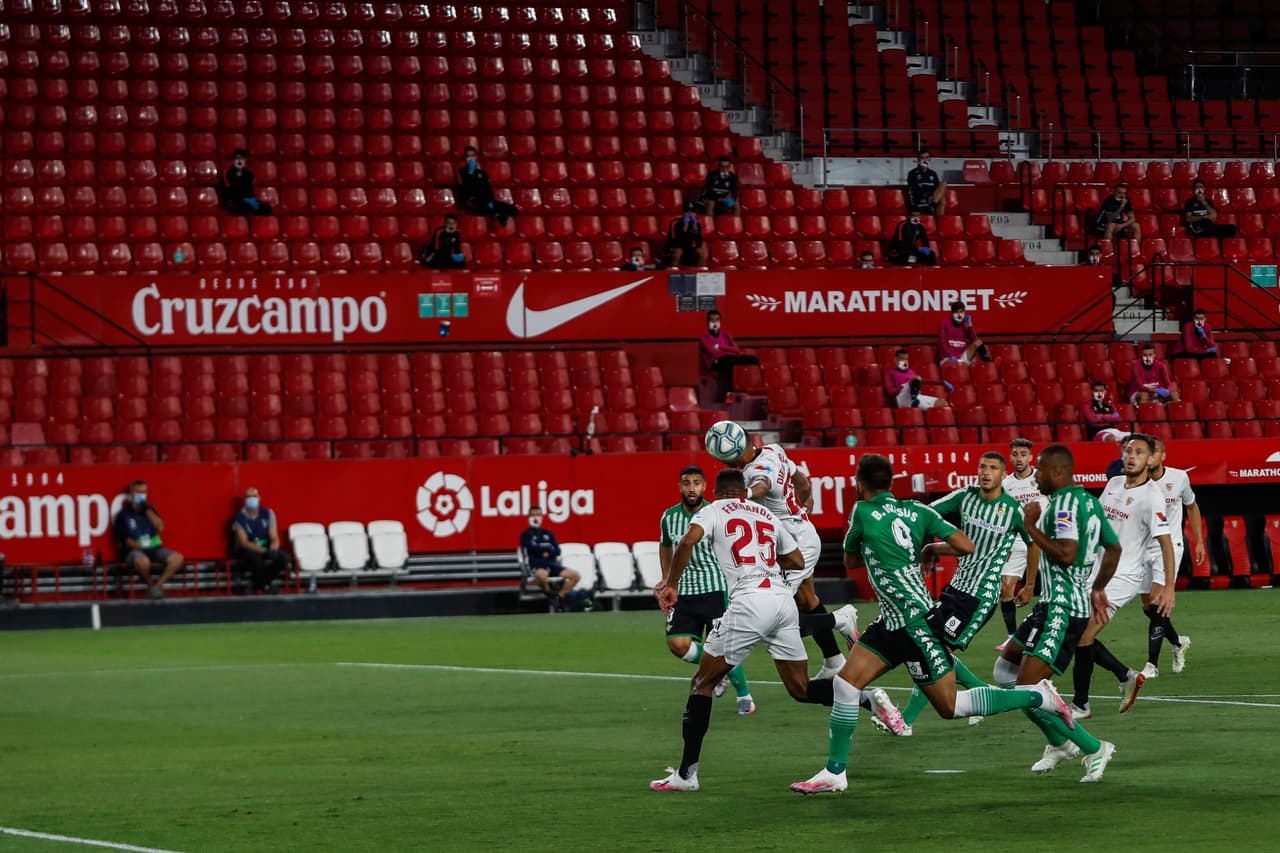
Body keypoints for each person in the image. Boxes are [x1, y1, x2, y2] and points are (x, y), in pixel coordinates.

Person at [789, 454, 1075, 794]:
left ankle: (1035, 696)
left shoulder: (862, 512)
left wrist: (889, 551)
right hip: (891, 620)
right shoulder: (917, 511)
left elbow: (850, 561)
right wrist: (921, 547)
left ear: (858, 483)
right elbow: (966, 545)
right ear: (891, 484)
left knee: (950, 707)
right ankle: (835, 772)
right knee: (846, 685)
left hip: (914, 623)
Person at [649, 469, 841, 792]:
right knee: (801, 689)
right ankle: (863, 696)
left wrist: (671, 584)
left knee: (702, 682)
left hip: (749, 601)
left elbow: (687, 541)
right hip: (782, 600)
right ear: (742, 491)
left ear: (719, 492)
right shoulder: (765, 512)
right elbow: (795, 559)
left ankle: (686, 775)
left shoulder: (714, 510)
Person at [994, 444, 1120, 782]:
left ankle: (1093, 747)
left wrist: (1031, 526)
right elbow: (1114, 547)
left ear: (1058, 472)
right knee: (1005, 668)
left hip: (1063, 610)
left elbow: (1066, 554)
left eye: (1040, 469)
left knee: (1026, 688)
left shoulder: (1062, 505)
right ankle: (1058, 743)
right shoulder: (1090, 503)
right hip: (1050, 605)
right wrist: (1097, 587)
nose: (1035, 474)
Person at [898, 451, 1037, 730]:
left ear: (1002, 475)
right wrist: (929, 544)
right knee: (930, 647)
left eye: (993, 468)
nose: (986, 472)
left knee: (932, 649)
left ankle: (905, 720)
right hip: (955, 589)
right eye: (982, 467)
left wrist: (1030, 584)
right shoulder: (965, 497)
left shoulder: (1012, 510)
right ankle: (977, 692)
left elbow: (1033, 544)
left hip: (979, 597)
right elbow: (928, 513)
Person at [1070, 433, 1173, 719]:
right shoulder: (1114, 483)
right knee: (1077, 631)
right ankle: (1125, 675)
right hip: (1097, 571)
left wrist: (1168, 588)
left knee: (1084, 634)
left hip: (1123, 577)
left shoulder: (1153, 497)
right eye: (1128, 451)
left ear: (1151, 459)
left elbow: (1166, 544)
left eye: (1139, 452)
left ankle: (1081, 704)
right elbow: (1098, 521)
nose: (1130, 456)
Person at [657, 466, 755, 715]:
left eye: (697, 483)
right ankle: (717, 672)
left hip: (714, 588)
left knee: (723, 646)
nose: (692, 488)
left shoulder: (716, 513)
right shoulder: (669, 517)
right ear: (679, 487)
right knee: (677, 644)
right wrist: (667, 578)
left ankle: (744, 696)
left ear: (704, 487)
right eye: (687, 483)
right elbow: (666, 546)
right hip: (683, 590)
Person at [1143, 438, 1203, 676]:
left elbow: (1192, 506)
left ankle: (1151, 665)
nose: (1149, 457)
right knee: (1148, 607)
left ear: (1163, 456)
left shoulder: (1179, 478)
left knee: (1157, 603)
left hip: (1170, 547)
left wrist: (1198, 540)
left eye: (1153, 452)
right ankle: (1178, 642)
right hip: (1143, 548)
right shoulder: (1138, 482)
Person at [996, 438, 1048, 644]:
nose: (1019, 458)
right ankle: (1012, 637)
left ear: (1031, 457)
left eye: (1023, 454)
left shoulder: (1042, 478)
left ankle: (1046, 630)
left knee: (1051, 589)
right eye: (1015, 454)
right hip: (1018, 541)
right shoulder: (1006, 485)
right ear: (1010, 457)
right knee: (1006, 588)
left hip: (1045, 539)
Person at [113, 479, 184, 600]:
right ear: (131, 494)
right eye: (138, 492)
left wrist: (147, 510)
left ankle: (157, 587)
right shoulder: (123, 514)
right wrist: (144, 545)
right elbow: (127, 541)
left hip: (155, 549)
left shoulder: (150, 510)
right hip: (134, 551)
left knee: (178, 559)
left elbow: (160, 527)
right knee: (143, 561)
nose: (141, 495)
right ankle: (152, 586)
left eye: (144, 492)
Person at [520, 506, 582, 611]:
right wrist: (547, 548)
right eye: (533, 514)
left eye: (538, 514)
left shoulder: (548, 533)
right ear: (528, 517)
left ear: (542, 517)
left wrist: (545, 549)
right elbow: (532, 548)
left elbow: (557, 551)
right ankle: (549, 593)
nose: (536, 517)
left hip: (552, 565)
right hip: (537, 564)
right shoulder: (526, 534)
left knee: (575, 575)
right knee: (541, 575)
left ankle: (559, 596)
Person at [230, 486, 290, 594]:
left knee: (283, 558)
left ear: (259, 498)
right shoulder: (239, 518)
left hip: (265, 546)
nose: (252, 499)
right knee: (256, 559)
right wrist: (264, 551)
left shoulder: (268, 513)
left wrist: (274, 547)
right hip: (249, 548)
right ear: (245, 500)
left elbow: (274, 536)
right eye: (249, 497)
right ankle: (265, 587)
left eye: (254, 496)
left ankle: (255, 584)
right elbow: (244, 542)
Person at [456, 145, 518, 226]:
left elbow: (487, 188)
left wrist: (490, 201)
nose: (470, 159)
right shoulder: (462, 172)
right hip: (473, 201)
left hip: (487, 201)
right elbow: (467, 189)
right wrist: (470, 173)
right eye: (468, 156)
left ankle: (496, 214)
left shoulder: (482, 173)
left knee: (513, 209)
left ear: (476, 157)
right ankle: (497, 215)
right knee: (486, 206)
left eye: (472, 156)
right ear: (465, 158)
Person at [699, 310, 758, 393]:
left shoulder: (725, 335)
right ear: (708, 322)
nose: (715, 322)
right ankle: (729, 397)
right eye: (712, 320)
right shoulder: (704, 337)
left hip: (731, 358)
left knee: (753, 359)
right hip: (716, 362)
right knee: (731, 365)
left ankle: (752, 390)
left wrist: (720, 347)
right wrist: (729, 348)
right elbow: (713, 352)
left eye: (717, 319)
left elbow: (737, 350)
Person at [222, 149, 272, 216]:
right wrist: (238, 176)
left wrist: (248, 200)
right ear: (234, 160)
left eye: (241, 158)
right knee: (242, 208)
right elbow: (228, 191)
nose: (239, 160)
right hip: (233, 200)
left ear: (245, 160)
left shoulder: (249, 173)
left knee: (267, 208)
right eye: (237, 158)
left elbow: (249, 191)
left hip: (247, 199)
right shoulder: (228, 172)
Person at [664, 202, 706, 268]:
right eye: (687, 212)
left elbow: (699, 242)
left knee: (701, 251)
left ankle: (701, 271)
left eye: (692, 212)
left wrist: (695, 229)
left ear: (695, 214)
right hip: (674, 248)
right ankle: (673, 270)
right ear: (683, 213)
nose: (689, 214)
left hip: (689, 249)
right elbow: (676, 241)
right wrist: (685, 227)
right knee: (678, 251)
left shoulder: (697, 224)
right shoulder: (675, 223)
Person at [906, 150, 947, 216]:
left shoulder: (933, 173)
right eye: (922, 157)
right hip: (920, 199)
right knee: (942, 199)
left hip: (931, 198)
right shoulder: (912, 173)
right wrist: (912, 206)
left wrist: (933, 197)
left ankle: (933, 207)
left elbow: (937, 189)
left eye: (926, 157)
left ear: (929, 159)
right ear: (918, 160)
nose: (924, 160)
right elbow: (910, 191)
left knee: (944, 184)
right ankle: (932, 209)